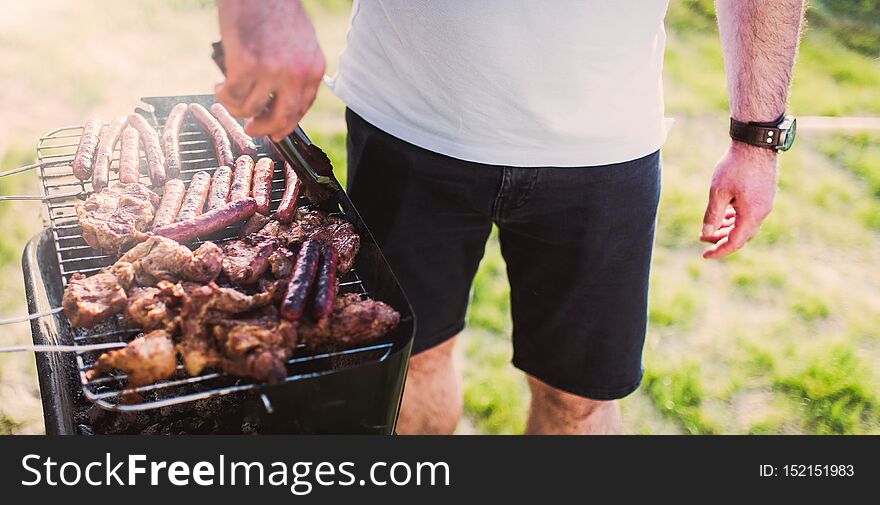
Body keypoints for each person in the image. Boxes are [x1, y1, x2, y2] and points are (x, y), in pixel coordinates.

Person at [215, 0, 805, 434]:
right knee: (409, 363)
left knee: (580, 399)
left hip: (602, 143)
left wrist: (757, 137)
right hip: (405, 116)